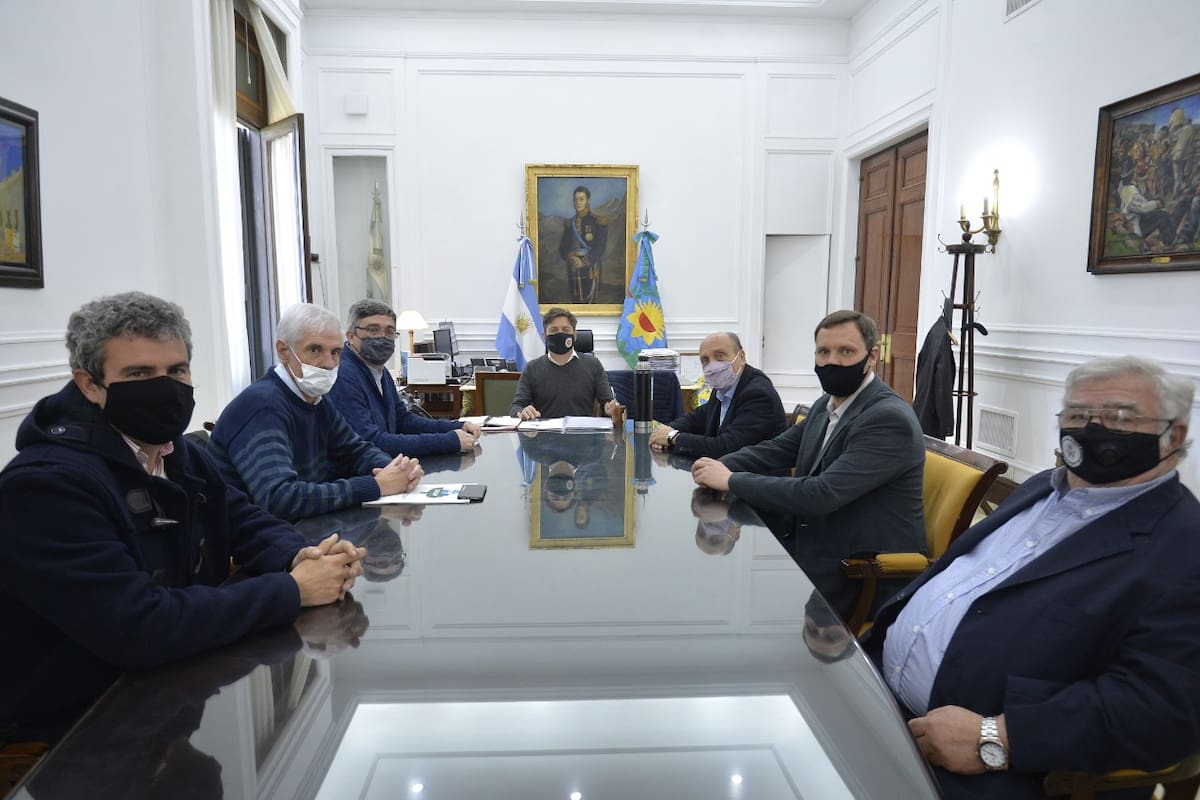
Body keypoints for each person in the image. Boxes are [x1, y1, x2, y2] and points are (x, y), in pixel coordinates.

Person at [0, 292, 365, 744]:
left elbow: (241, 518)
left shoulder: (177, 452)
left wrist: (301, 554)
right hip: (74, 730)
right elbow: (137, 626)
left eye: (176, 371)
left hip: (172, 691)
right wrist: (292, 590)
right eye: (139, 374)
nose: (164, 387)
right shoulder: (44, 487)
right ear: (90, 384)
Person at [862, 355, 1200, 800]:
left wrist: (1000, 737)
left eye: (1120, 417)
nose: (1091, 429)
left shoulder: (1184, 545)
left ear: (1173, 435)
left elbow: (1164, 709)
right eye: (1077, 414)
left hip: (981, 771)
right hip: (879, 699)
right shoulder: (1045, 485)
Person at [691, 310, 925, 616]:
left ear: (872, 357)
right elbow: (778, 449)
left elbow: (821, 493)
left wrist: (730, 479)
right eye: (823, 352)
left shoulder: (887, 419)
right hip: (815, 541)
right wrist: (719, 465)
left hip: (860, 571)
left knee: (736, 601)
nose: (832, 362)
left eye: (846, 351)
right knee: (711, 584)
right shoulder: (827, 404)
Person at [209, 303, 423, 522]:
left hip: (302, 528)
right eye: (315, 350)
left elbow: (356, 450)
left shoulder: (315, 399)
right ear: (283, 351)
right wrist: (376, 485)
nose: (329, 364)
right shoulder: (263, 406)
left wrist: (395, 470)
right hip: (255, 537)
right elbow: (281, 499)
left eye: (335, 352)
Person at [327, 299, 480, 456]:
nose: (382, 337)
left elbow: (403, 420)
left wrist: (456, 427)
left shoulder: (380, 371)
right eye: (373, 330)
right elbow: (370, 442)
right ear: (351, 336)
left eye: (389, 331)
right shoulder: (342, 375)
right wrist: (447, 441)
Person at [648, 331, 786, 458]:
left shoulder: (758, 394)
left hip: (757, 475)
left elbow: (726, 448)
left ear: (741, 357)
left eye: (720, 356)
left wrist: (672, 437)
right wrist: (664, 431)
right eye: (705, 360)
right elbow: (697, 418)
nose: (713, 366)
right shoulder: (724, 386)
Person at [510, 307, 620, 420]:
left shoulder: (593, 365)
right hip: (545, 430)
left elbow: (608, 403)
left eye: (565, 329)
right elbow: (516, 407)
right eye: (554, 330)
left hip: (582, 430)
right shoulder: (532, 368)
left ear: (575, 335)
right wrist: (522, 411)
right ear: (545, 336)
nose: (560, 334)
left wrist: (611, 409)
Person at [557, 185, 608, 303]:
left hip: (591, 268)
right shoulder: (570, 223)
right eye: (576, 199)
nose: (578, 202)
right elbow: (562, 248)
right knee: (575, 301)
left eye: (581, 199)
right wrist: (571, 257)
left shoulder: (598, 221)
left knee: (590, 303)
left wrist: (584, 262)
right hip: (573, 268)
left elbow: (601, 247)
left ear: (588, 201)